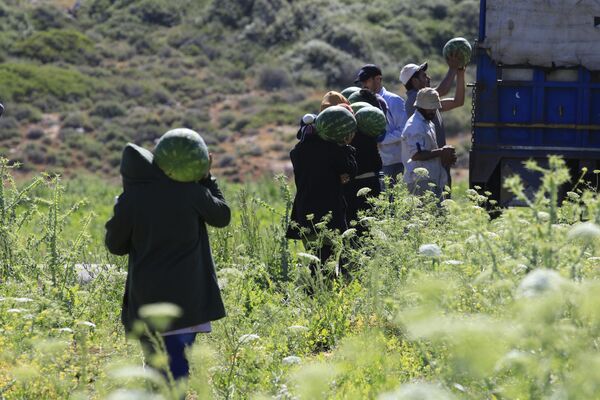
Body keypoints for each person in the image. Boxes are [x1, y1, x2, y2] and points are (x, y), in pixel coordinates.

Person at [105, 138, 231, 381]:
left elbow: (115, 246)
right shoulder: (191, 191)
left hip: (146, 299)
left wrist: (120, 215)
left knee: (156, 365)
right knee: (177, 364)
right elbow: (222, 216)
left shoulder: (131, 200)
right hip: (189, 297)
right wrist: (206, 177)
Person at [286, 91, 357, 278]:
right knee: (327, 266)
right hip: (328, 215)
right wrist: (346, 146)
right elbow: (349, 171)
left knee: (315, 262)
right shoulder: (333, 150)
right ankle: (318, 300)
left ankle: (312, 299)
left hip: (304, 214)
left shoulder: (297, 152)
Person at [400, 57, 465, 187]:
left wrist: (460, 73)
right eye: (424, 76)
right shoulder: (416, 98)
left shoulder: (429, 105)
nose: (428, 78)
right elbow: (443, 90)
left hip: (437, 164)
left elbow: (458, 101)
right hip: (427, 169)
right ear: (415, 81)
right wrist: (453, 67)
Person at [355, 64, 407, 185]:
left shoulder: (394, 100)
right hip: (373, 163)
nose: (363, 85)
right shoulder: (362, 102)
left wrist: (382, 139)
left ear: (378, 79)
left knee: (393, 200)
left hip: (393, 162)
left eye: (366, 81)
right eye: (362, 82)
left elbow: (404, 130)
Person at [401, 88, 456, 200]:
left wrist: (444, 155)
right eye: (430, 108)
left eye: (435, 108)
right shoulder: (414, 126)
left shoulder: (427, 122)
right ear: (420, 106)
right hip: (419, 181)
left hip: (431, 179)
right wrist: (441, 152)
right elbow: (416, 155)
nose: (433, 111)